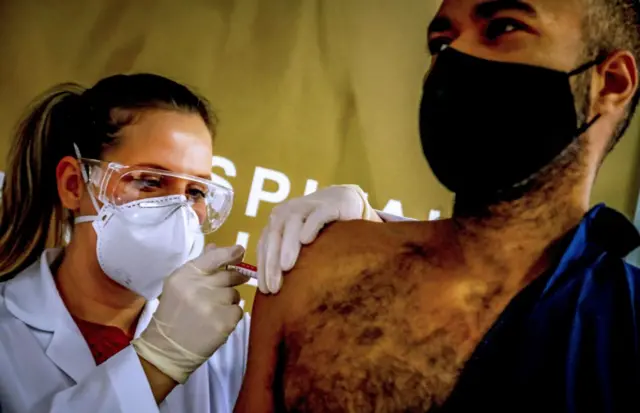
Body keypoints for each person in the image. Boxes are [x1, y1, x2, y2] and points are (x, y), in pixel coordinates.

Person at [235, 0, 640, 412]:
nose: (457, 56)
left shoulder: (627, 325)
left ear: (609, 82)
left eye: (502, 27)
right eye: (441, 43)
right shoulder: (318, 271)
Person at [0, 74, 396, 413]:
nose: (178, 209)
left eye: (194, 192)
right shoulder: (7, 330)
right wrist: (156, 362)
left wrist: (373, 234)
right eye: (150, 181)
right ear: (74, 185)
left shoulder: (230, 337)